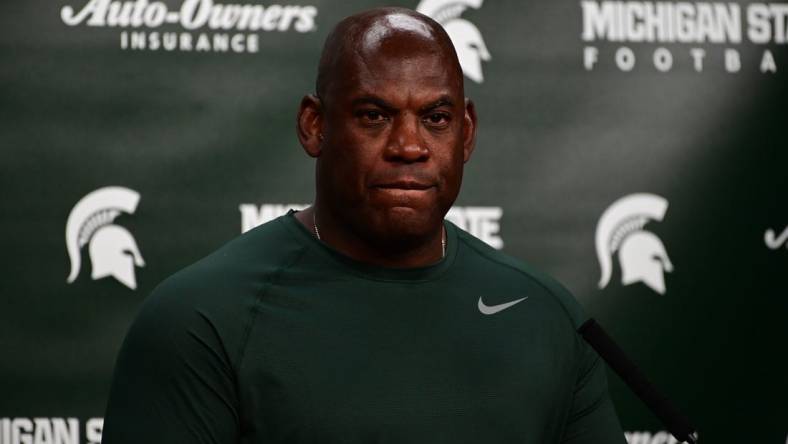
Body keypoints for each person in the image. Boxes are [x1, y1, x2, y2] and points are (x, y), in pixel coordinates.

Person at [102, 7, 626, 444]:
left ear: (465, 133)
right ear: (315, 125)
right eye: (374, 115)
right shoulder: (199, 321)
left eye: (435, 118)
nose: (409, 147)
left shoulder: (548, 317)